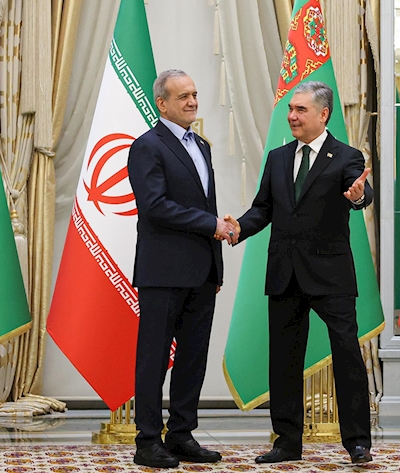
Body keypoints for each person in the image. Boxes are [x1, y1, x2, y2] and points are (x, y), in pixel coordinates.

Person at [225, 81, 374, 464]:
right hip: (284, 272)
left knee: (347, 355)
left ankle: (358, 442)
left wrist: (359, 195)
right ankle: (287, 441)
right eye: (291, 109)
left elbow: (359, 190)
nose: (291, 116)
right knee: (284, 359)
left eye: (300, 110)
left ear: (323, 114)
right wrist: (240, 227)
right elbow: (263, 208)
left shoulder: (346, 156)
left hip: (331, 274)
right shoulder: (277, 157)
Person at [127, 69, 236, 469]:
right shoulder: (147, 146)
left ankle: (182, 435)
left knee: (193, 358)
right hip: (162, 273)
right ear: (162, 103)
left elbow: (206, 205)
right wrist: (212, 225)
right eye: (183, 96)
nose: (192, 102)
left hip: (201, 273)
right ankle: (147, 441)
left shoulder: (201, 145)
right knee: (154, 359)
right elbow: (154, 206)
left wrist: (216, 267)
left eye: (194, 94)